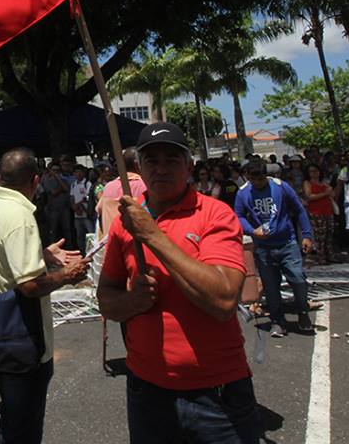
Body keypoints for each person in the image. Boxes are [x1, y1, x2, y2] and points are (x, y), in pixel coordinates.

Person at [97, 123, 261, 443]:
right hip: (147, 391)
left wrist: (153, 236)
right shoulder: (123, 225)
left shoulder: (215, 214)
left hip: (217, 395)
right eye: (152, 160)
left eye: (171, 160)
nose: (161, 169)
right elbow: (106, 300)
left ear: (189, 166)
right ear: (139, 168)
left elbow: (224, 301)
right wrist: (131, 302)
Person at [0, 147, 90, 444]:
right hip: (22, 338)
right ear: (35, 181)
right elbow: (29, 286)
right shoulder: (20, 216)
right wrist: (67, 275)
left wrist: (41, 253)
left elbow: (3, 253)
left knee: (13, 419)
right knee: (23, 425)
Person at [235, 160, 315, 337]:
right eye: (253, 179)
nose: (258, 182)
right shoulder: (243, 193)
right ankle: (277, 321)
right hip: (264, 247)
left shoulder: (281, 187)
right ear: (248, 177)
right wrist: (252, 230)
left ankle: (303, 312)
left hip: (287, 243)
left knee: (298, 279)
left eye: (261, 178)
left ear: (266, 175)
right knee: (271, 287)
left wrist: (307, 235)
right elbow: (238, 216)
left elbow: (299, 209)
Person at [97, 148, 146, 238]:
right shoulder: (145, 186)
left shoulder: (108, 187)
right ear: (137, 164)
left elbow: (99, 211)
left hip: (110, 241)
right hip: (135, 242)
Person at [303, 163, 335, 264]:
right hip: (315, 211)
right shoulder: (307, 183)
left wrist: (329, 191)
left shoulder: (323, 182)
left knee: (329, 234)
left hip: (327, 210)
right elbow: (309, 196)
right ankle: (321, 256)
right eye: (311, 171)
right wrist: (324, 194)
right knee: (320, 235)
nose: (314, 173)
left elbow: (332, 193)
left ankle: (329, 255)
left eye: (316, 171)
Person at [41, 158, 74, 248]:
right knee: (53, 230)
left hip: (64, 208)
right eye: (54, 170)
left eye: (58, 170)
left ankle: (69, 247)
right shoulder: (47, 180)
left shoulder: (63, 179)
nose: (56, 172)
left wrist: (58, 179)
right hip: (53, 209)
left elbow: (66, 189)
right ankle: (52, 248)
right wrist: (61, 188)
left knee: (67, 230)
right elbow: (53, 192)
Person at [71, 163, 93, 253]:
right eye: (76, 172)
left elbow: (87, 197)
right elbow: (72, 197)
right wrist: (74, 208)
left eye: (80, 172)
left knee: (90, 235)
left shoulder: (87, 183)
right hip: (77, 215)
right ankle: (83, 253)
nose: (78, 174)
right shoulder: (73, 184)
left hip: (86, 214)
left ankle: (91, 253)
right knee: (79, 236)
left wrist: (78, 205)